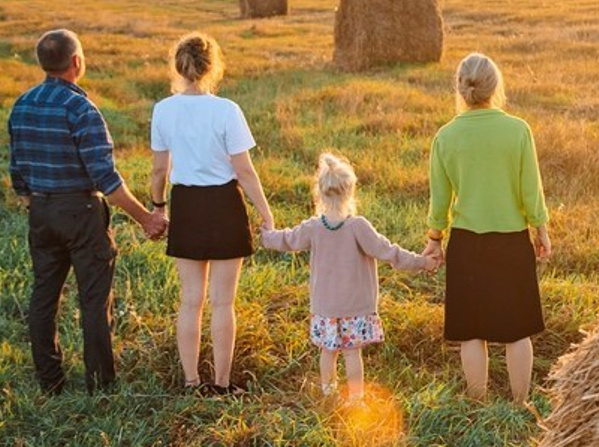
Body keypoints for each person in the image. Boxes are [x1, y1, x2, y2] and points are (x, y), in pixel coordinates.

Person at [7, 28, 167, 394]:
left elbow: (17, 172)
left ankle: (50, 382)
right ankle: (100, 384)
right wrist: (147, 218)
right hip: (81, 211)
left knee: (43, 297)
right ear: (76, 62)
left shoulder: (22, 104)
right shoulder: (81, 108)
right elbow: (107, 180)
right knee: (94, 301)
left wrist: (38, 204)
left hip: (41, 212)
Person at [149, 33, 273, 393]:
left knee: (190, 301)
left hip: (186, 204)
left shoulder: (163, 109)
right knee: (223, 303)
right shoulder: (227, 110)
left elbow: (159, 171)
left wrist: (159, 206)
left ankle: (191, 382)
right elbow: (245, 171)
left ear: (178, 66)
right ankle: (221, 383)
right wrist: (265, 213)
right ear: (212, 67)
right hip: (224, 206)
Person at [425, 52, 550, 404]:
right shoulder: (518, 130)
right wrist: (541, 230)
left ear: (461, 89)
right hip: (511, 242)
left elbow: (440, 201)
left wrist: (435, 239)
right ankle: (520, 401)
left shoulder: (446, 137)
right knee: (517, 330)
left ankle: (477, 400)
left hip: (467, 244)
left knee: (471, 332)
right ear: (496, 87)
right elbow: (531, 190)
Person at [259, 152, 434, 402]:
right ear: (350, 192)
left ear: (319, 193)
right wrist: (423, 262)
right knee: (352, 354)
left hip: (325, 307)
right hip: (355, 306)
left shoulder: (314, 227)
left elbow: (287, 239)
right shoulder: (358, 226)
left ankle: (329, 393)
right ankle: (355, 398)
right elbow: (389, 252)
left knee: (327, 352)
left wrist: (265, 235)